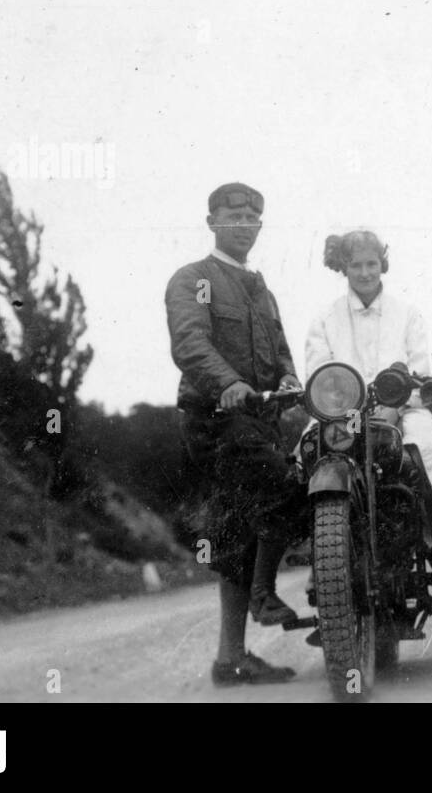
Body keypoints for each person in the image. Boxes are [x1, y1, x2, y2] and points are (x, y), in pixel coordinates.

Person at [165, 182, 306, 687]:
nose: (244, 222)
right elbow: (189, 342)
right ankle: (265, 594)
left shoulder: (260, 287)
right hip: (214, 418)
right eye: (234, 213)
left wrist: (289, 378)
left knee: (239, 530)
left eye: (253, 215)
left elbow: (283, 349)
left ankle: (231, 659)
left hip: (259, 420)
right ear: (212, 221)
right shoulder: (194, 279)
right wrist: (230, 383)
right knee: (287, 489)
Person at [304, 229, 432, 592]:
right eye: (356, 265)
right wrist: (344, 410)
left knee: (430, 450)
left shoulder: (406, 313)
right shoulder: (325, 318)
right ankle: (325, 555)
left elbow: (418, 368)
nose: (365, 272)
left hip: (400, 410)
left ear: (382, 264)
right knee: (306, 455)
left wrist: (393, 408)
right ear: (344, 267)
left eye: (371, 264)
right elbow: (318, 372)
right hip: (340, 413)